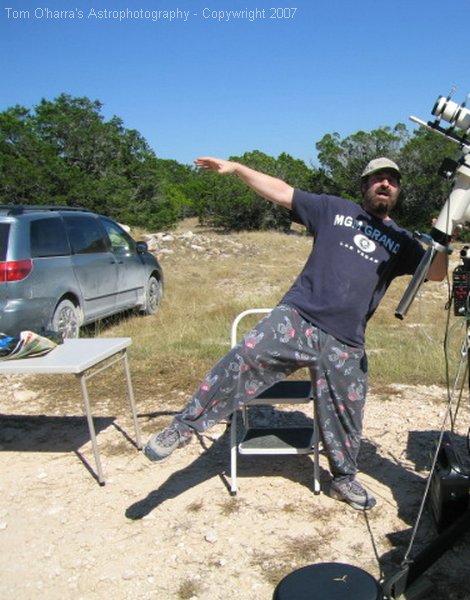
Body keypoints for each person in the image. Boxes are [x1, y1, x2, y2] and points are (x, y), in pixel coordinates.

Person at [143, 156, 448, 510]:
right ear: (365, 184)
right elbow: (282, 191)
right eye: (378, 178)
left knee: (347, 414)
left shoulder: (402, 240)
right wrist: (238, 169)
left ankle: (343, 480)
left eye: (392, 181)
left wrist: (444, 240)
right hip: (298, 318)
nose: (385, 184)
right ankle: (183, 428)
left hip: (346, 340)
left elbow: (436, 274)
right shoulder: (333, 209)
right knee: (242, 360)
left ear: (396, 191)